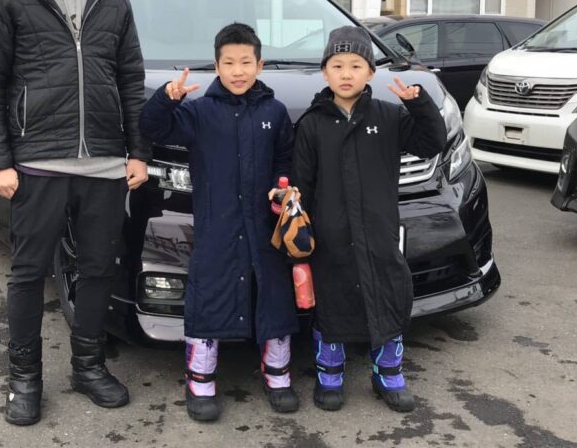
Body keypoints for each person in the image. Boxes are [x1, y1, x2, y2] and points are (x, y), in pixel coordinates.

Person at [0, 0, 151, 426]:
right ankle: (24, 379)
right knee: (28, 273)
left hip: (105, 162)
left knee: (96, 269)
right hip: (37, 161)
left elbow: (130, 77)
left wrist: (137, 151)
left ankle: (88, 367)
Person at [139, 23, 299, 422]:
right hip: (217, 224)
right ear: (216, 66)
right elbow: (152, 128)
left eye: (246, 62)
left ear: (260, 65)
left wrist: (283, 187)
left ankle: (278, 373)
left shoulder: (275, 112)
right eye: (229, 63)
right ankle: (200, 379)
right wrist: (166, 98)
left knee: (272, 292)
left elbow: (285, 157)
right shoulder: (199, 112)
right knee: (209, 293)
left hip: (265, 226)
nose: (237, 71)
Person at [291, 26, 447, 413]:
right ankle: (330, 374)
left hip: (379, 232)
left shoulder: (389, 116)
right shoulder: (312, 123)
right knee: (332, 302)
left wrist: (419, 105)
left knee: (386, 296)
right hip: (330, 236)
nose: (346, 73)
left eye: (356, 65)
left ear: (371, 73)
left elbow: (432, 144)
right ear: (324, 72)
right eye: (337, 65)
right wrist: (299, 227)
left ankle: (388, 373)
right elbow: (301, 183)